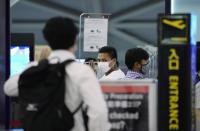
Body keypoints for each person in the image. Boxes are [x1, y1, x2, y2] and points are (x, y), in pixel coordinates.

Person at [4, 17, 110, 131]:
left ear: (47, 40)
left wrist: (34, 67)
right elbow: (98, 112)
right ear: (75, 40)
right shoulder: (82, 71)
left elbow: (8, 88)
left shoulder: (35, 69)